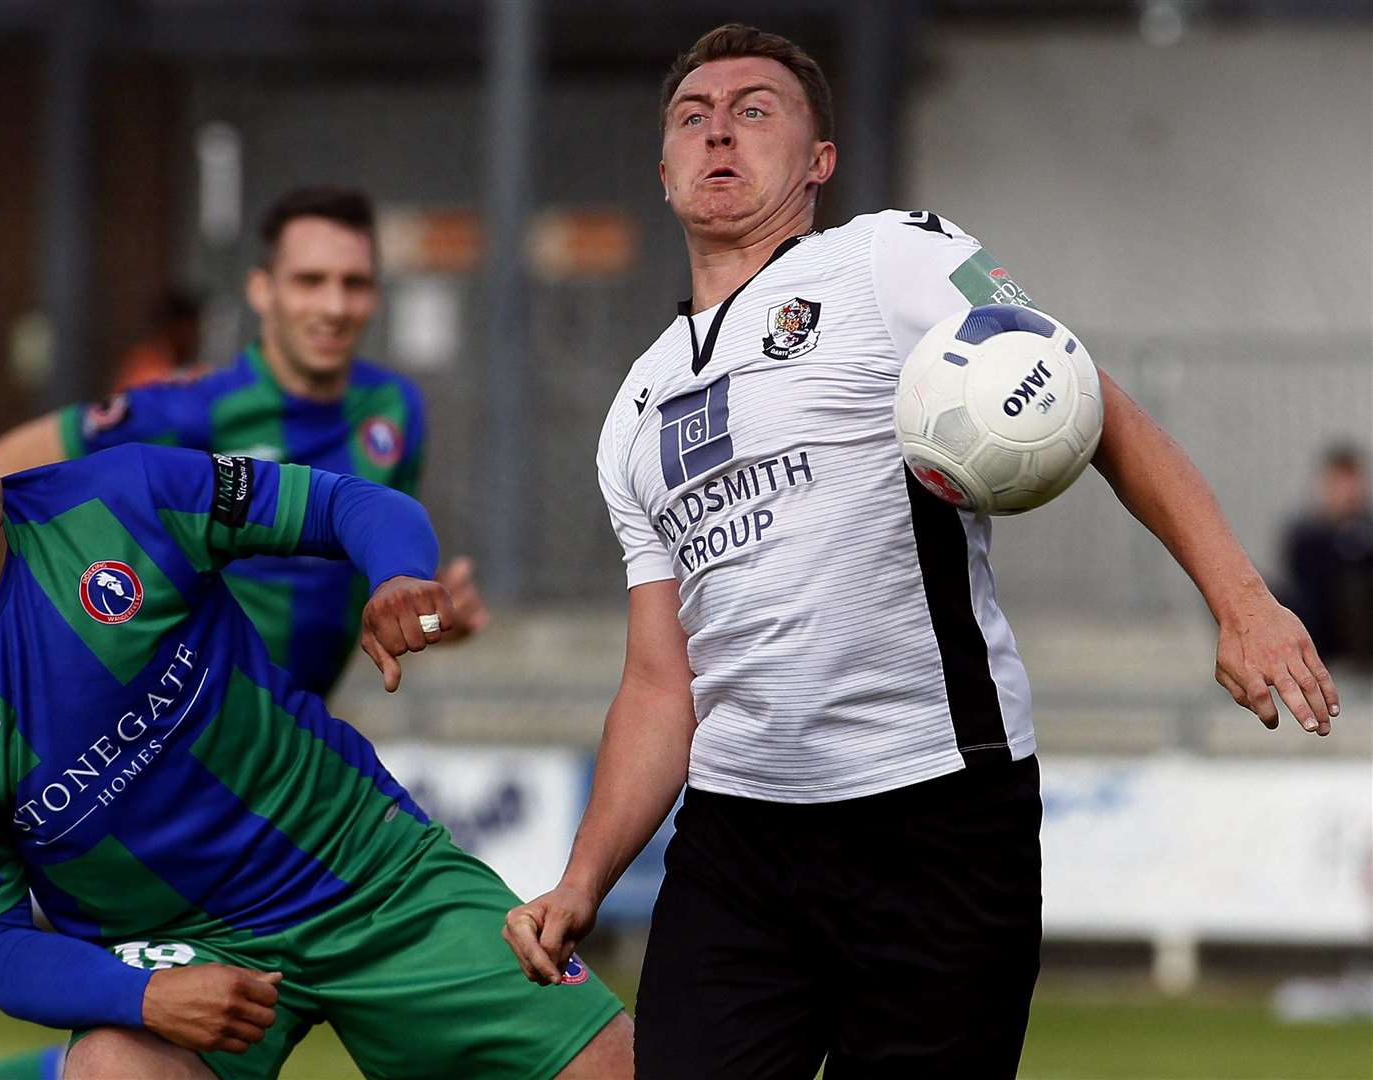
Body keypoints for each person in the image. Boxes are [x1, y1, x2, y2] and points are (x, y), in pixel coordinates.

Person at [502, 23, 1340, 1080]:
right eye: (692, 116)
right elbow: (661, 681)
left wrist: (1240, 597)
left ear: (820, 162)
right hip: (736, 840)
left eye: (757, 110)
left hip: (935, 814)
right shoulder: (633, 407)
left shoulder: (887, 256)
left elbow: (1091, 403)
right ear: (663, 167)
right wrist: (582, 881)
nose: (719, 131)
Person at [0, 332, 631, 1080]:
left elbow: (353, 502)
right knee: (109, 1068)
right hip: (192, 950)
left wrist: (398, 576)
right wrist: (143, 995)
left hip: (367, 866)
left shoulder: (127, 495)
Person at [0, 187, 488, 699]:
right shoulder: (189, 409)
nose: (335, 305)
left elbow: (375, 578)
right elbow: (0, 469)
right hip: (177, 736)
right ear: (261, 289)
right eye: (310, 281)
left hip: (298, 734)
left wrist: (428, 619)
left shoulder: (395, 407)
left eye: (354, 283)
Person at [1283, 444, 1373, 667]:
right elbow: (1305, 583)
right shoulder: (1306, 532)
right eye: (1339, 483)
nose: (1347, 491)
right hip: (1320, 628)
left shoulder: (1367, 527)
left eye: (1351, 482)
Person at [109, 288, 205, 393]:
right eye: (189, 329)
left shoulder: (197, 371)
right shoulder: (144, 371)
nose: (195, 336)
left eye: (196, 329)